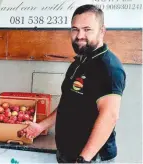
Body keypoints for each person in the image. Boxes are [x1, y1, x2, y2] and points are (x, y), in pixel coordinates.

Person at [21, 4, 126, 163]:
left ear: (102, 31)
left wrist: (84, 159)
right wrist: (41, 126)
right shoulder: (78, 63)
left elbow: (109, 116)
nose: (79, 35)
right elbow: (68, 103)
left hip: (91, 158)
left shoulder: (109, 67)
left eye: (87, 29)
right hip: (68, 154)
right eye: (75, 29)